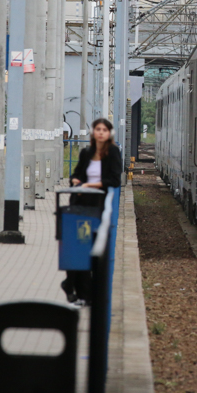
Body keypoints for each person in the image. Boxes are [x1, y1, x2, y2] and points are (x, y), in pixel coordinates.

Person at [62, 117, 122, 304]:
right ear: (93, 132)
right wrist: (75, 181)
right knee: (78, 247)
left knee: (87, 247)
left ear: (109, 133)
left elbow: (115, 180)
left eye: (104, 129)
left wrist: (93, 184)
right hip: (80, 204)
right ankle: (77, 289)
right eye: (98, 129)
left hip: (97, 206)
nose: (101, 132)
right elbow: (76, 173)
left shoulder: (113, 153)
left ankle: (76, 288)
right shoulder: (86, 152)